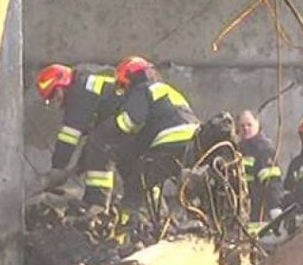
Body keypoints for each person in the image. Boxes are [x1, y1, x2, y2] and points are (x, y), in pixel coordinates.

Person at [87, 56, 200, 215]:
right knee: (181, 186)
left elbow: (130, 121)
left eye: (123, 85)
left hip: (169, 141)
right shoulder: (167, 89)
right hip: (194, 143)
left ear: (129, 77)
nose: (123, 91)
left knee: (138, 182)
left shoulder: (142, 89)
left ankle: (129, 226)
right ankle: (186, 221)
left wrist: (107, 129)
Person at [35, 63, 121, 209]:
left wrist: (57, 168)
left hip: (126, 120)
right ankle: (113, 202)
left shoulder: (79, 92)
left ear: (62, 84)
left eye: (54, 94)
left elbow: (69, 136)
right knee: (96, 149)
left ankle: (97, 206)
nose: (56, 101)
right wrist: (77, 168)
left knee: (97, 153)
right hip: (127, 122)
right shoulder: (86, 86)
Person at [237, 110, 284, 223]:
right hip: (241, 209)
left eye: (249, 125)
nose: (246, 128)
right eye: (242, 125)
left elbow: (272, 180)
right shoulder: (237, 149)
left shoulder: (264, 149)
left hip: (259, 210)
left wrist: (274, 206)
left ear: (257, 124)